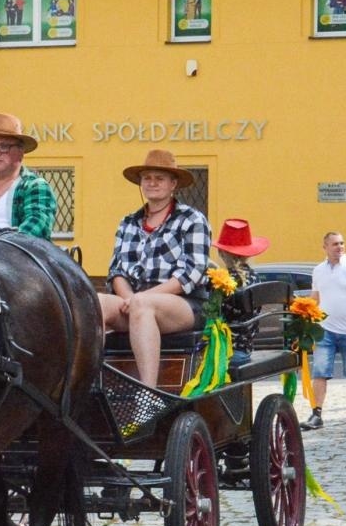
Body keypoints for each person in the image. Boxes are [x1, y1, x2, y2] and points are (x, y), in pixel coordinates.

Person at [100, 149, 212, 388]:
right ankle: (86, 384)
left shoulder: (192, 219)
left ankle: (147, 392)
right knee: (95, 302)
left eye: (159, 178)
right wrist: (129, 298)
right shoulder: (128, 222)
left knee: (143, 306)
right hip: (134, 298)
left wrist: (141, 298)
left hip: (184, 303)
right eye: (147, 178)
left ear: (174, 184)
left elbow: (190, 273)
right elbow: (117, 271)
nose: (152, 183)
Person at [304, 231, 346, 430]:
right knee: (320, 371)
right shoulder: (319, 270)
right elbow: (315, 297)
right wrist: (302, 313)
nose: (339, 247)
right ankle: (317, 413)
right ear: (325, 247)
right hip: (325, 329)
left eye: (342, 243)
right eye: (335, 244)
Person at [212, 218, 269, 370]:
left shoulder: (222, 282)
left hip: (228, 352)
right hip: (245, 349)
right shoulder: (255, 277)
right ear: (248, 254)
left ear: (221, 252)